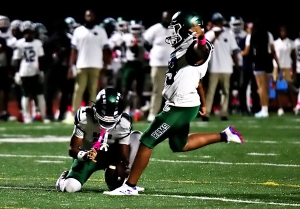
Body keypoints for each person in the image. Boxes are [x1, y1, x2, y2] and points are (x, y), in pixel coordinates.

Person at [103, 11, 244, 196]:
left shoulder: (198, 46)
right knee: (179, 145)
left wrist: (201, 39)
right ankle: (225, 135)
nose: (174, 32)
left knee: (146, 141)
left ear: (188, 29)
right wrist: (202, 102)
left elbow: (199, 52)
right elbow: (196, 78)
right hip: (183, 103)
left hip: (181, 106)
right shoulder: (183, 46)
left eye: (177, 28)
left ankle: (130, 187)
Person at [55, 88, 144, 192]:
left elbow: (123, 154)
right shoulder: (84, 118)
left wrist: (121, 166)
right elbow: (72, 149)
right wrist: (84, 155)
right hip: (88, 158)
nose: (106, 125)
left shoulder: (124, 123)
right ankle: (63, 179)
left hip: (111, 157)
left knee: (137, 137)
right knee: (70, 188)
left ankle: (127, 183)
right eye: (103, 120)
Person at [63, 9, 109, 124]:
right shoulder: (78, 31)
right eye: (87, 16)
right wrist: (71, 66)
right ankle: (74, 113)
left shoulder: (101, 31)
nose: (89, 18)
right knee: (79, 89)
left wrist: (106, 64)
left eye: (91, 16)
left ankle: (93, 114)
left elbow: (105, 49)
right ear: (84, 17)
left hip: (96, 64)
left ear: (94, 17)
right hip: (81, 64)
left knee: (93, 90)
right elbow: (74, 50)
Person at [241, 18, 280, 118]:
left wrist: (237, 53)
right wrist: (278, 63)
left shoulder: (251, 36)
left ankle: (264, 110)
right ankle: (265, 109)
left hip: (258, 62)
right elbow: (273, 50)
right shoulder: (269, 34)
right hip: (268, 62)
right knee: (265, 87)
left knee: (261, 88)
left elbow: (247, 51)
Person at [12, 21, 47, 123]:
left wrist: (41, 71)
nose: (28, 34)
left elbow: (41, 59)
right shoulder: (19, 43)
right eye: (26, 32)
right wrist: (17, 73)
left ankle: (42, 115)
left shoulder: (38, 43)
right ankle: (27, 116)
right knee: (26, 95)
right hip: (24, 72)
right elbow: (16, 60)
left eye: (30, 32)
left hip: (35, 72)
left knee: (39, 95)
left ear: (33, 33)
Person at [143, 10, 173, 122]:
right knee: (157, 90)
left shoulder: (174, 29)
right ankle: (152, 114)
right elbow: (146, 43)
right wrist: (155, 53)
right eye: (165, 18)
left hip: (171, 65)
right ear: (162, 18)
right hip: (157, 64)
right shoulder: (155, 29)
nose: (167, 20)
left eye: (168, 18)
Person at [272, 25, 296, 116]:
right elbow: (273, 54)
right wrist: (277, 66)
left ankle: (293, 107)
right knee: (276, 87)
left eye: (284, 31)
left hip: (287, 66)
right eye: (281, 31)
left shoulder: (291, 43)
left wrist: (293, 69)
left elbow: (293, 56)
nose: (283, 33)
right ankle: (280, 107)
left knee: (289, 87)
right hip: (276, 67)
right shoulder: (275, 43)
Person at [294, 28, 300, 115]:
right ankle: (298, 105)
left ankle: (298, 105)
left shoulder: (296, 42)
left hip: (298, 66)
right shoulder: (296, 42)